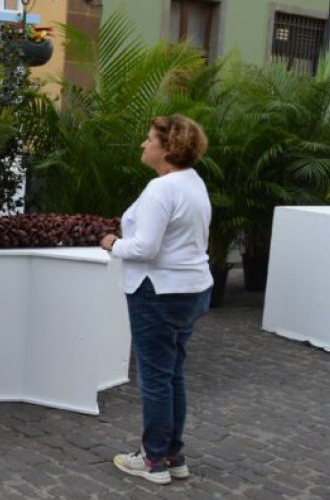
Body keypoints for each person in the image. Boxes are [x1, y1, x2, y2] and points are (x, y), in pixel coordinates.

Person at [100, 114, 214, 484]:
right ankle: (171, 455)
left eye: (149, 139)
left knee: (155, 378)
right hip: (192, 289)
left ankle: (152, 460)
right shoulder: (193, 183)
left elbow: (145, 248)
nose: (143, 144)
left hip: (158, 292)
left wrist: (114, 244)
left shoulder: (161, 189)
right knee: (172, 374)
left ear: (167, 149)